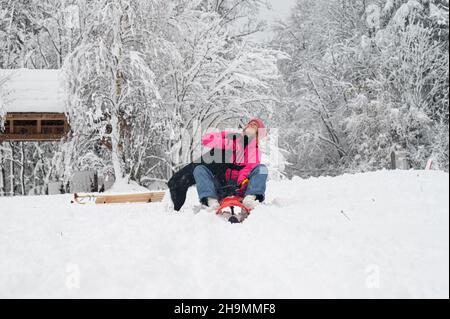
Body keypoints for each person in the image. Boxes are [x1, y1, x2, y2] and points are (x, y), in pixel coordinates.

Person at [193, 118, 268, 213]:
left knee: (262, 169)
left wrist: (240, 185)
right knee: (199, 169)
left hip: (241, 187)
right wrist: (226, 134)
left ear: (258, 133)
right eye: (250, 123)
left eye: (254, 125)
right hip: (221, 185)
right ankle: (211, 200)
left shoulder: (255, 150)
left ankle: (250, 198)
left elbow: (248, 168)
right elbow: (206, 139)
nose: (251, 125)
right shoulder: (232, 141)